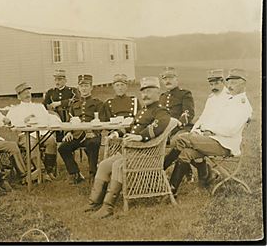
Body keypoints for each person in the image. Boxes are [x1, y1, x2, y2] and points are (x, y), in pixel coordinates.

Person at [84, 77, 171, 219]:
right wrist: (116, 133)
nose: (145, 95)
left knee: (118, 165)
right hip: (134, 151)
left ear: (158, 93)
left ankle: (108, 206)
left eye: (149, 91)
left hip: (148, 154)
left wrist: (141, 137)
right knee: (105, 164)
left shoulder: (161, 111)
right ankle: (94, 201)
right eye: (143, 92)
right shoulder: (144, 110)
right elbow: (132, 127)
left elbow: (159, 124)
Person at [167, 68, 252, 197]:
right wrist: (202, 130)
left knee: (182, 138)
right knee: (186, 153)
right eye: (229, 82)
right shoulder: (231, 101)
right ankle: (171, 192)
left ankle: (158, 171)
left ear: (243, 83)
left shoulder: (242, 104)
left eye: (234, 83)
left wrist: (209, 129)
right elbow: (209, 119)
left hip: (225, 144)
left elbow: (230, 129)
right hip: (214, 139)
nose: (230, 86)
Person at [164, 69, 230, 170]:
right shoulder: (211, 98)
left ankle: (161, 168)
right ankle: (205, 175)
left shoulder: (230, 98)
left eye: (216, 83)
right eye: (211, 84)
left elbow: (188, 114)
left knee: (179, 141)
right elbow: (203, 118)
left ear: (223, 82)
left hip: (218, 139)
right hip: (197, 134)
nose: (214, 87)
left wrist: (210, 131)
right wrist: (196, 131)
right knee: (185, 147)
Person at [6, 82, 59, 181]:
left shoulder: (39, 107)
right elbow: (10, 125)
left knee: (51, 141)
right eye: (24, 93)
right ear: (18, 97)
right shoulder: (14, 110)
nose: (27, 95)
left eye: (28, 92)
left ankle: (49, 170)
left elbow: (48, 119)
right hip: (25, 135)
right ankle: (41, 171)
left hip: (42, 133)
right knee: (32, 144)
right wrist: (23, 121)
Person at [58, 74, 103, 184]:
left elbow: (102, 120)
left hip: (92, 134)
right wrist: (68, 132)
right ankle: (75, 174)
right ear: (78, 88)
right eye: (81, 86)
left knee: (92, 144)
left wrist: (94, 132)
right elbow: (69, 120)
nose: (84, 88)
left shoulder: (98, 103)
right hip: (77, 135)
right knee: (63, 148)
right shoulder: (74, 104)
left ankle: (93, 173)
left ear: (91, 87)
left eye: (86, 85)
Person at [43, 69, 79, 142]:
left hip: (69, 117)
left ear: (65, 80)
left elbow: (77, 100)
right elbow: (44, 105)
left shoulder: (72, 90)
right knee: (55, 139)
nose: (57, 82)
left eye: (59, 80)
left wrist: (60, 103)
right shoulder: (50, 92)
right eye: (55, 80)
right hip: (55, 118)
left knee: (69, 140)